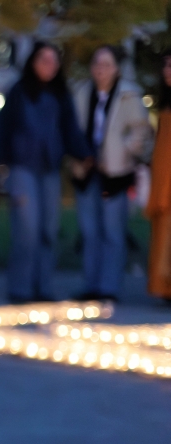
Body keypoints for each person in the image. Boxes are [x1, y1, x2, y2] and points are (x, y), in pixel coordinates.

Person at [0, 41, 90, 302]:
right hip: (23, 168)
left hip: (50, 169)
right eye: (43, 59)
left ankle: (43, 287)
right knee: (26, 229)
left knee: (48, 229)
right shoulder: (19, 91)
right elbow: (4, 125)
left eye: (53, 60)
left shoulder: (60, 94)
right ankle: (20, 287)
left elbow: (70, 129)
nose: (49, 65)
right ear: (33, 62)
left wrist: (84, 154)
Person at [71, 46, 153, 302]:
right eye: (97, 63)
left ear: (116, 68)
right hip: (87, 171)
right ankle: (91, 284)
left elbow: (141, 131)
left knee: (113, 231)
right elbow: (72, 128)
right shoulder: (82, 93)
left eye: (106, 64)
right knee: (90, 229)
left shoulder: (129, 95)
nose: (101, 69)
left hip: (115, 173)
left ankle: (109, 287)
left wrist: (124, 151)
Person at [148, 52, 171, 301]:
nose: (167, 70)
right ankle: (163, 286)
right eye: (165, 65)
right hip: (164, 177)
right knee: (163, 233)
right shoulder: (163, 105)